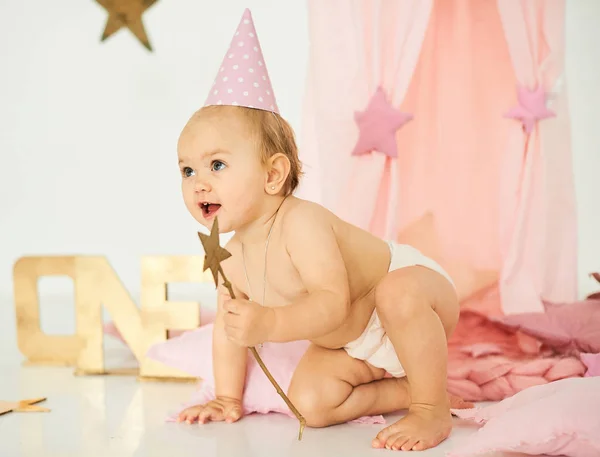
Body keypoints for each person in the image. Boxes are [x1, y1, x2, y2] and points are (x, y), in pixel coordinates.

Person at [176, 8, 471, 452]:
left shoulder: (302, 222)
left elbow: (332, 306)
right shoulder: (231, 257)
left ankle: (430, 409)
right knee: (309, 406)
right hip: (354, 345)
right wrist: (226, 398)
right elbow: (229, 330)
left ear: (273, 175)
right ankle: (412, 388)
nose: (199, 181)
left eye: (217, 164)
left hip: (411, 296)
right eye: (187, 169)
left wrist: (271, 322)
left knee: (397, 295)